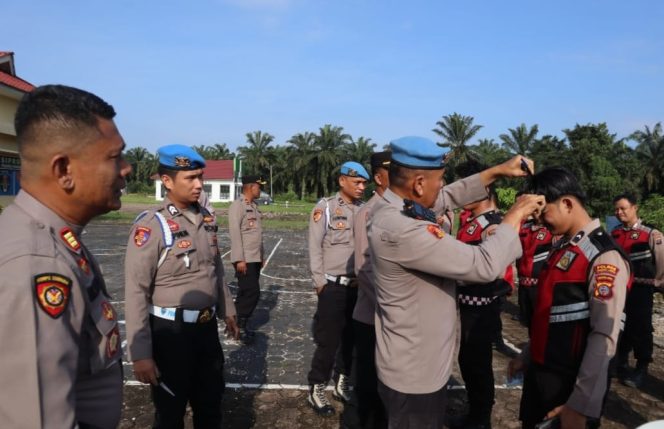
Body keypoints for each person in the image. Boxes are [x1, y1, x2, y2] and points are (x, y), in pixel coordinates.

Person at [368, 136, 543, 429]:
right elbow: (483, 264)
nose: (442, 186)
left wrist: (496, 171)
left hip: (415, 363)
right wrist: (515, 216)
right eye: (440, 179)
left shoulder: (395, 205)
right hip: (415, 375)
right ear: (419, 184)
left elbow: (445, 197)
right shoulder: (404, 229)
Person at [0, 84, 130, 428]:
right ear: (63, 171)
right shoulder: (38, 262)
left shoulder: (56, 239)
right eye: (114, 157)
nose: (127, 169)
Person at [124, 144, 239, 428]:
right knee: (170, 412)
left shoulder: (207, 218)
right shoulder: (153, 225)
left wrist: (228, 309)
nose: (199, 185)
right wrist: (140, 354)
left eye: (200, 177)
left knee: (211, 404)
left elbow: (216, 268)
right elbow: (136, 290)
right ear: (167, 181)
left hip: (206, 329)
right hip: (170, 335)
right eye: (190, 178)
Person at [509, 167, 631, 429]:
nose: (540, 222)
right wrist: (528, 354)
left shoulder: (603, 256)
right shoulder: (562, 247)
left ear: (566, 203)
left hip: (569, 386)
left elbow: (604, 336)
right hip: (541, 376)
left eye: (544, 212)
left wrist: (581, 403)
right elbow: (548, 314)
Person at [452, 161, 515, 429]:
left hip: (482, 305)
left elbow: (494, 269)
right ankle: (475, 409)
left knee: (477, 362)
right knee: (468, 359)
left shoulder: (493, 225)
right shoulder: (472, 223)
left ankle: (480, 417)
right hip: (467, 303)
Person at [307, 161, 369, 417]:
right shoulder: (326, 208)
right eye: (357, 182)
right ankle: (317, 387)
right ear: (343, 181)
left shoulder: (365, 211)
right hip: (332, 286)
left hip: (357, 287)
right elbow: (314, 245)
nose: (362, 187)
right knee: (328, 341)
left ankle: (342, 382)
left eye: (364, 183)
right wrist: (319, 282)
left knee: (351, 340)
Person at [351, 151, 391, 428]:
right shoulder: (369, 211)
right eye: (393, 171)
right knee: (368, 383)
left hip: (396, 317)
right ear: (378, 177)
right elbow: (363, 269)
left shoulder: (404, 210)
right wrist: (393, 305)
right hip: (373, 313)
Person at [611, 193, 664, 388]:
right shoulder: (614, 233)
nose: (619, 212)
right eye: (616, 209)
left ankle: (642, 367)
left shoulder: (650, 233)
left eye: (623, 208)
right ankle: (621, 362)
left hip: (641, 289)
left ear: (635, 208)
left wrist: (657, 283)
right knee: (620, 325)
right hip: (620, 289)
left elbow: (661, 262)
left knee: (641, 328)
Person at [229, 174, 267, 344]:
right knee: (253, 292)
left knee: (245, 293)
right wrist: (239, 259)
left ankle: (235, 324)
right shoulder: (238, 206)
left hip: (254, 258)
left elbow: (257, 234)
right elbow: (235, 234)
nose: (260, 190)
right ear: (251, 187)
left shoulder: (254, 206)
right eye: (259, 187)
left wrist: (262, 256)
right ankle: (239, 324)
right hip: (245, 259)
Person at [516, 213, 554, 327]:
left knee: (541, 321)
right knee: (526, 319)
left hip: (540, 283)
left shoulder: (552, 228)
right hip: (523, 281)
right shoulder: (525, 227)